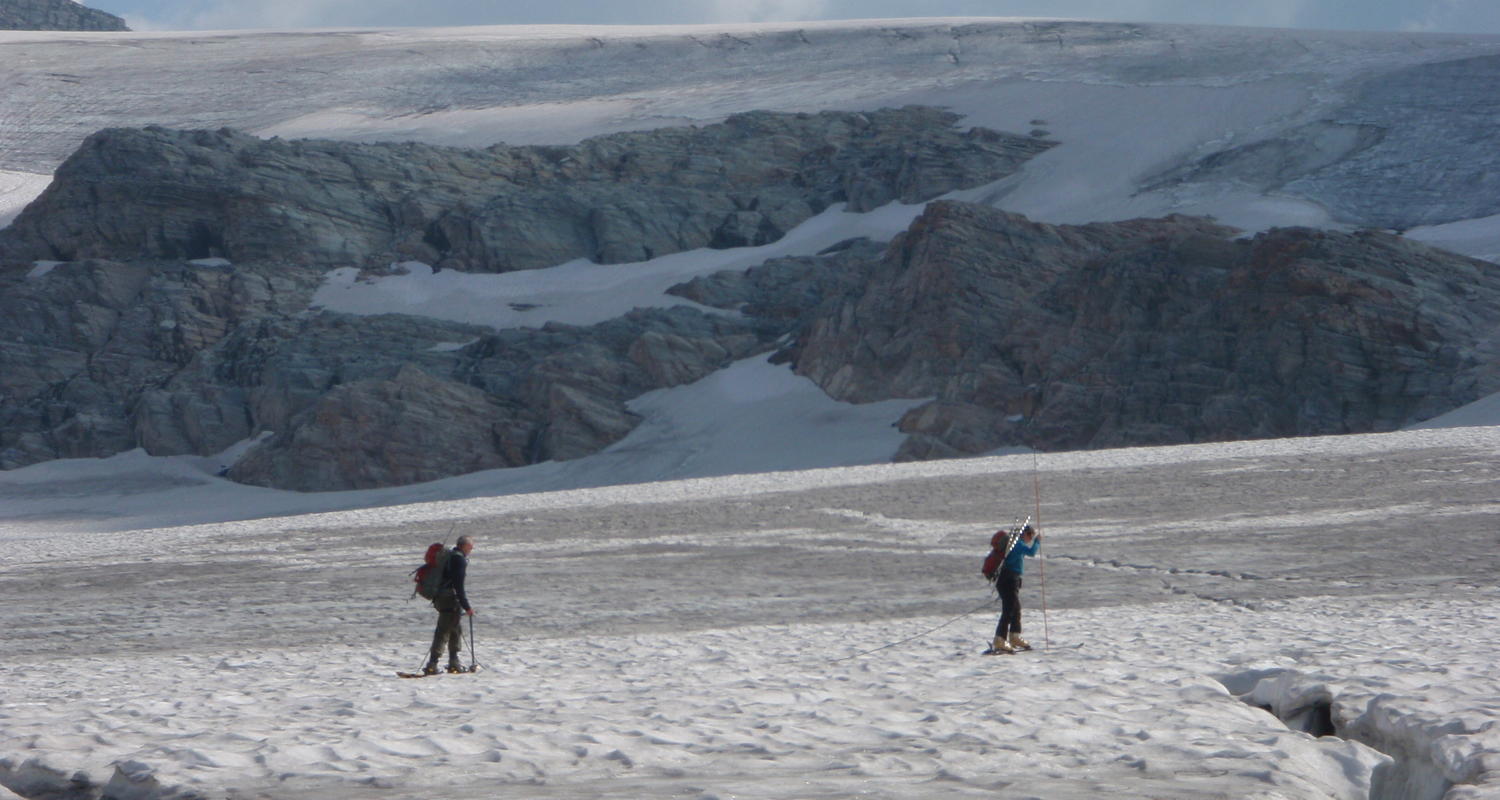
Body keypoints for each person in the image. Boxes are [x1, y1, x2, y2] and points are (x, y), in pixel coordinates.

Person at [425, 535, 476, 675]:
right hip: (449, 599)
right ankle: (432, 664)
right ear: (464, 546)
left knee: (455, 629)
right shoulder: (458, 560)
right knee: (444, 631)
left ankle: (454, 662)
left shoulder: (450, 556)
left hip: (441, 597)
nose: (472, 549)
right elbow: (458, 586)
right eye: (470, 546)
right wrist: (467, 607)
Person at [988, 524, 1040, 654]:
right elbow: (1032, 552)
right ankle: (1000, 639)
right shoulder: (1018, 544)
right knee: (1009, 610)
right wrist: (1037, 542)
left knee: (1015, 608)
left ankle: (1014, 636)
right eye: (1030, 535)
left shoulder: (1015, 544)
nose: (1031, 538)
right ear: (1025, 534)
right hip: (1009, 579)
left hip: (1009, 579)